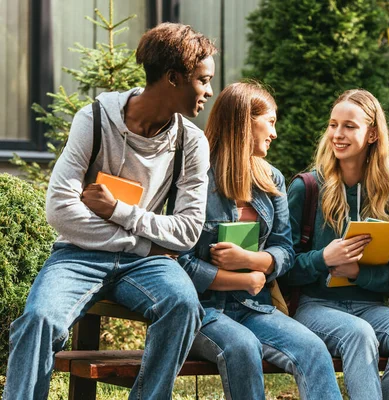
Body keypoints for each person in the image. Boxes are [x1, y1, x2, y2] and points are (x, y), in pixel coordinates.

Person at [4, 23, 216, 400]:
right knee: (39, 320)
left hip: (147, 264)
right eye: (203, 80)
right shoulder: (96, 118)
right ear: (172, 78)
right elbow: (60, 209)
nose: (209, 91)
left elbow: (186, 231)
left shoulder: (192, 142)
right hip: (81, 253)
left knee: (182, 305)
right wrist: (144, 244)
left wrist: (118, 210)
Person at [177, 82, 342, 400]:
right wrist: (239, 278)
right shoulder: (195, 176)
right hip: (202, 311)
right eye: (271, 121)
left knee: (312, 349)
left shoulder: (271, 179)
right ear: (244, 122)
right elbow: (178, 262)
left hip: (255, 307)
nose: (275, 133)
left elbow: (285, 249)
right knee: (242, 347)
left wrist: (251, 263)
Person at [286, 89, 389, 400]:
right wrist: (323, 258)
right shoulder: (307, 187)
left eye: (349, 126)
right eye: (333, 124)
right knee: (358, 334)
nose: (338, 134)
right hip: (315, 306)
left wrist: (357, 273)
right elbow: (283, 267)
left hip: (372, 306)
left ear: (373, 134)